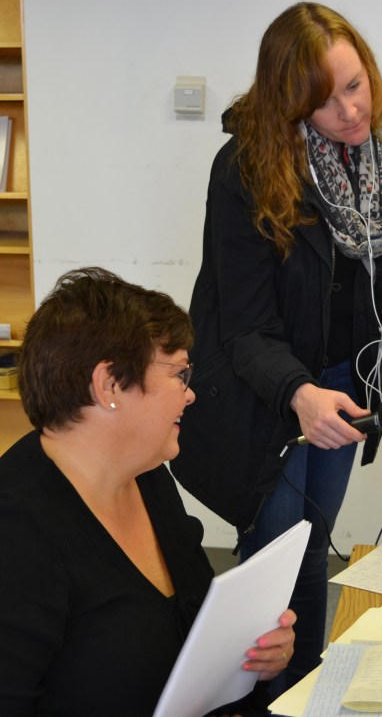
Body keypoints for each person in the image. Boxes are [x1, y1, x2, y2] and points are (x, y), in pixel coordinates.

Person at [170, 1, 382, 692]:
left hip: (340, 374)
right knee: (273, 555)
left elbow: (371, 250)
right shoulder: (245, 168)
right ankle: (259, 699)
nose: (351, 111)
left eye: (355, 85)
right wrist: (298, 393)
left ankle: (306, 689)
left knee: (314, 544)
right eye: (325, 100)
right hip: (262, 384)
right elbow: (244, 325)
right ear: (290, 102)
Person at [0, 267, 295, 716]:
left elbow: (195, 624)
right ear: (110, 384)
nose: (190, 394)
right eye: (179, 374)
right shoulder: (17, 533)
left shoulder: (146, 475)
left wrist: (254, 656)